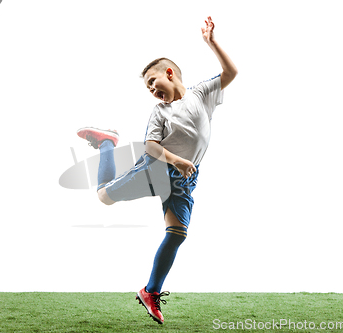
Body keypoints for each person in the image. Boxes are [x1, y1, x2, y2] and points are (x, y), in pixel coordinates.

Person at [76, 16, 237, 324]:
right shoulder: (159, 111)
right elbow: (150, 147)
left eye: (153, 82)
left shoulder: (202, 94)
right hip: (158, 168)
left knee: (177, 234)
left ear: (169, 73)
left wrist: (211, 42)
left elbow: (231, 73)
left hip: (186, 177)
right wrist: (175, 159)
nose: (151, 89)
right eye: (147, 87)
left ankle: (150, 291)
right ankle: (107, 144)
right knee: (103, 197)